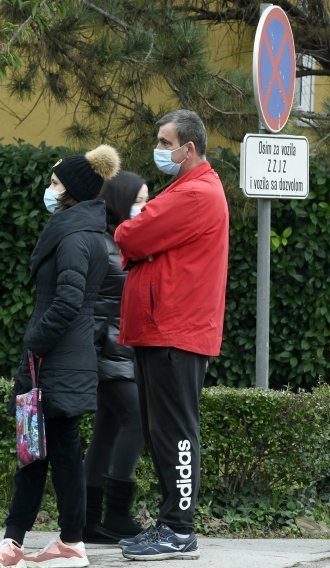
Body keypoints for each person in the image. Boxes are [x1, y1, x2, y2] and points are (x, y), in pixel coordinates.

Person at [115, 110, 229, 561]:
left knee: (176, 431)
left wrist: (133, 223)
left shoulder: (196, 193)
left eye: (165, 142)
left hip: (175, 331)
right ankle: (169, 524)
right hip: (163, 329)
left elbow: (131, 234)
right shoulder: (184, 189)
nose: (159, 150)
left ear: (190, 148)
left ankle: (179, 529)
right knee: (161, 431)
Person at [0, 145, 120, 568]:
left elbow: (68, 300)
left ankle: (45, 542)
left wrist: (35, 339)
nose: (49, 190)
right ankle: (48, 541)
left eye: (55, 184)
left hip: (54, 361)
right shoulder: (86, 232)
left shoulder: (72, 236)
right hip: (65, 359)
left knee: (42, 451)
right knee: (47, 450)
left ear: (72, 192)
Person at [82, 171, 149, 544]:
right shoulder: (107, 247)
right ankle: (117, 513)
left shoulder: (121, 243)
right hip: (111, 354)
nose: (145, 205)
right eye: (138, 199)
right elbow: (97, 309)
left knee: (107, 429)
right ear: (121, 200)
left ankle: (92, 520)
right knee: (136, 420)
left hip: (118, 353)